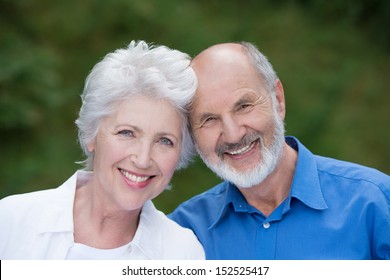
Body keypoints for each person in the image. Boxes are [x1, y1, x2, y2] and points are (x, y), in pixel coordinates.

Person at [169, 41, 390, 260]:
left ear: (278, 100)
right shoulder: (182, 232)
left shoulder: (374, 201)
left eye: (244, 106)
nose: (234, 134)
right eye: (209, 119)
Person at [0, 40, 205, 260]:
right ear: (91, 135)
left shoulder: (182, 253)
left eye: (165, 141)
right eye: (126, 133)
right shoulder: (11, 221)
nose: (143, 159)